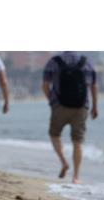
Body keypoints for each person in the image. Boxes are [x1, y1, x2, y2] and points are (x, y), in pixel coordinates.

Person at [42, 51, 99, 183]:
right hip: (81, 107)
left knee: (54, 135)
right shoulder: (87, 62)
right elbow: (94, 86)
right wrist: (95, 106)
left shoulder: (54, 61)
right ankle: (76, 176)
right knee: (77, 142)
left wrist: (52, 102)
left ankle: (63, 162)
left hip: (59, 106)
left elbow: (45, 85)